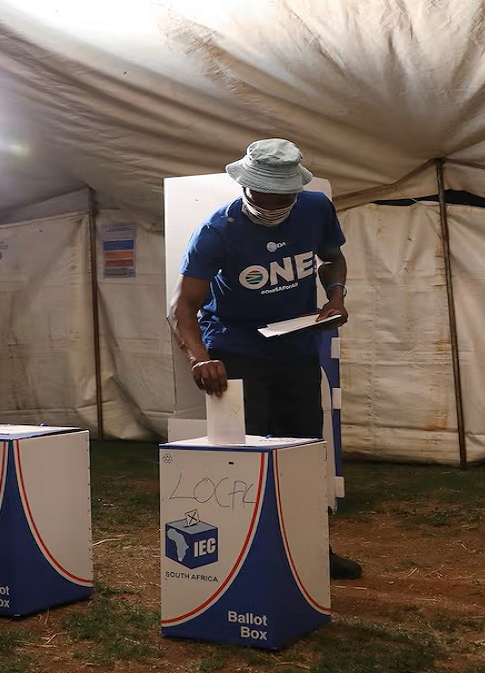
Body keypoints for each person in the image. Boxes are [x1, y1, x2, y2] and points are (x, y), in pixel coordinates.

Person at [168, 138, 363, 580]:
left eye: (284, 197)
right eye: (264, 194)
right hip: (236, 353)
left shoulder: (315, 208)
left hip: (295, 349)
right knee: (243, 458)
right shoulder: (217, 230)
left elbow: (332, 257)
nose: (274, 205)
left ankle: (310, 549)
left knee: (303, 453)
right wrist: (200, 359)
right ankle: (246, 557)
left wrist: (335, 297)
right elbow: (183, 307)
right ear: (245, 184)